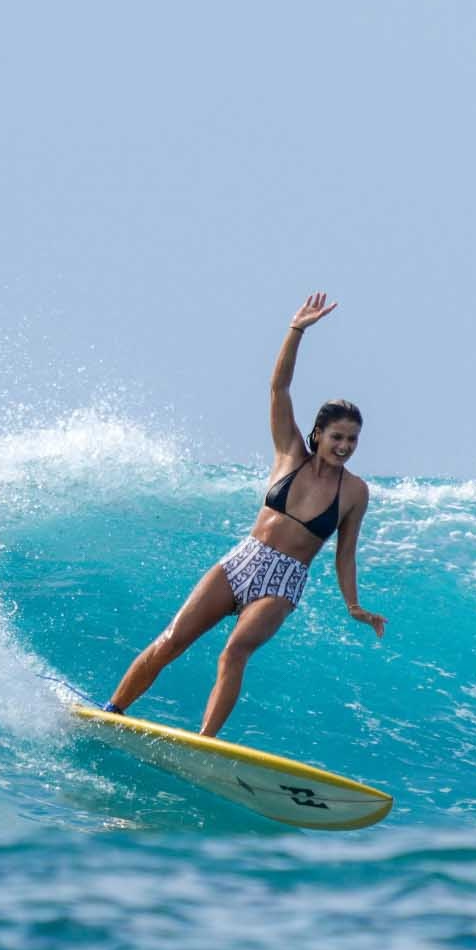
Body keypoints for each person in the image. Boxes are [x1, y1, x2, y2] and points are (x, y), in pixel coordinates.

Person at [102, 292, 387, 737]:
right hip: (243, 560)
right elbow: (279, 389)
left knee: (234, 652)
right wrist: (296, 331)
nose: (345, 446)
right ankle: (113, 711)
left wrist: (354, 605)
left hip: (285, 579)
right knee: (172, 640)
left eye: (353, 439)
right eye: (338, 436)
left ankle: (205, 743)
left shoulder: (354, 492)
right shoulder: (289, 454)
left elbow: (344, 554)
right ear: (318, 433)